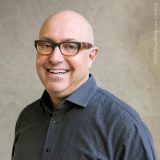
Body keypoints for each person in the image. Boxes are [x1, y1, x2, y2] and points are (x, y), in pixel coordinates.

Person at [12, 10, 157, 160]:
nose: (55, 58)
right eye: (46, 45)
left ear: (91, 56)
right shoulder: (26, 118)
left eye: (70, 46)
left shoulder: (124, 127)